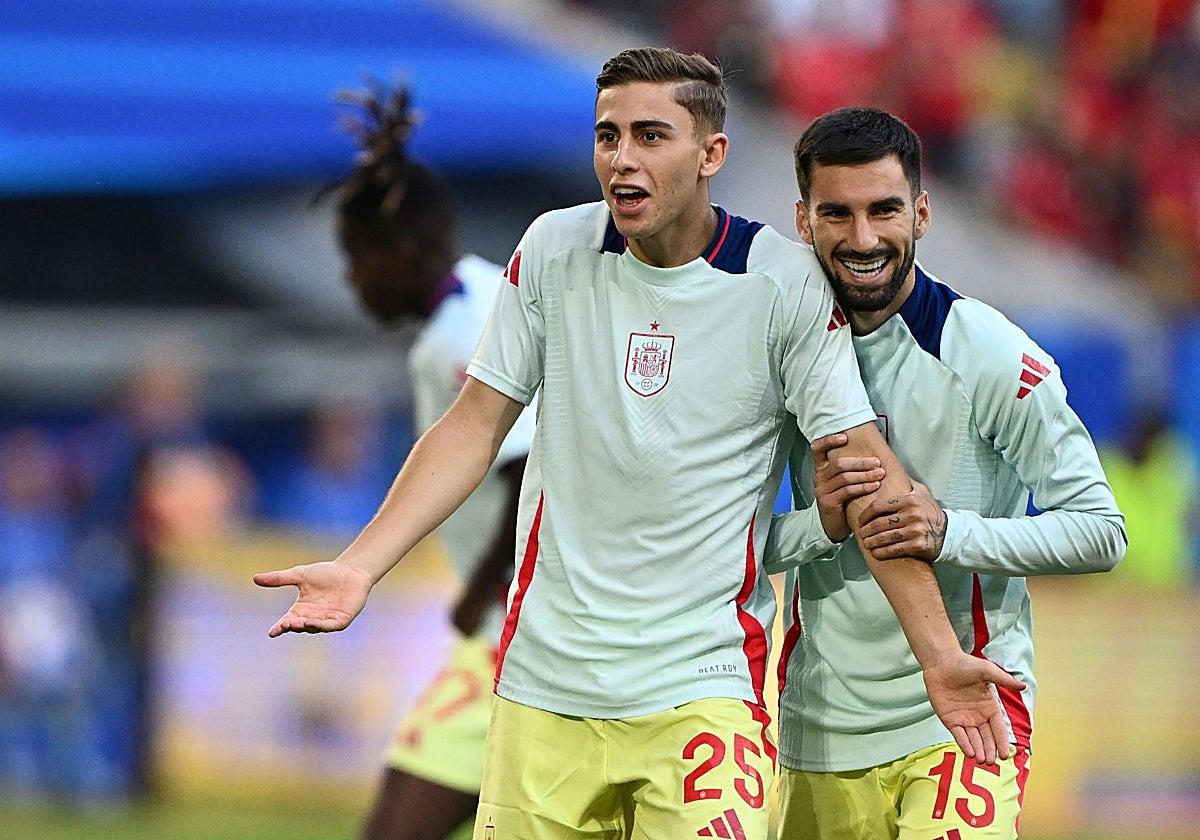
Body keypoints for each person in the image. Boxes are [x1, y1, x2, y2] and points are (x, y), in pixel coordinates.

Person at [255, 48, 1021, 839]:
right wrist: (358, 567)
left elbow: (863, 473)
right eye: (607, 135)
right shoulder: (554, 249)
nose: (622, 158)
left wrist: (937, 654)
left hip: (704, 689)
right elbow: (475, 422)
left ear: (711, 153)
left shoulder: (782, 283)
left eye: (651, 135)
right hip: (545, 686)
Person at [766, 106, 1126, 840]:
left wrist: (950, 532)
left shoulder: (990, 355)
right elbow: (728, 542)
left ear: (923, 213)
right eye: (838, 213)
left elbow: (1102, 532)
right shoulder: (775, 354)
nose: (863, 239)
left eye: (884, 211)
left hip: (964, 722)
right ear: (803, 220)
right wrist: (817, 526)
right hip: (818, 728)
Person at [318, 79, 536, 840]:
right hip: (519, 632)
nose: (352, 281)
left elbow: (525, 464)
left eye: (357, 262)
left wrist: (479, 592)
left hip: (519, 637)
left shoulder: (458, 335)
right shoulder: (480, 290)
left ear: (400, 252)